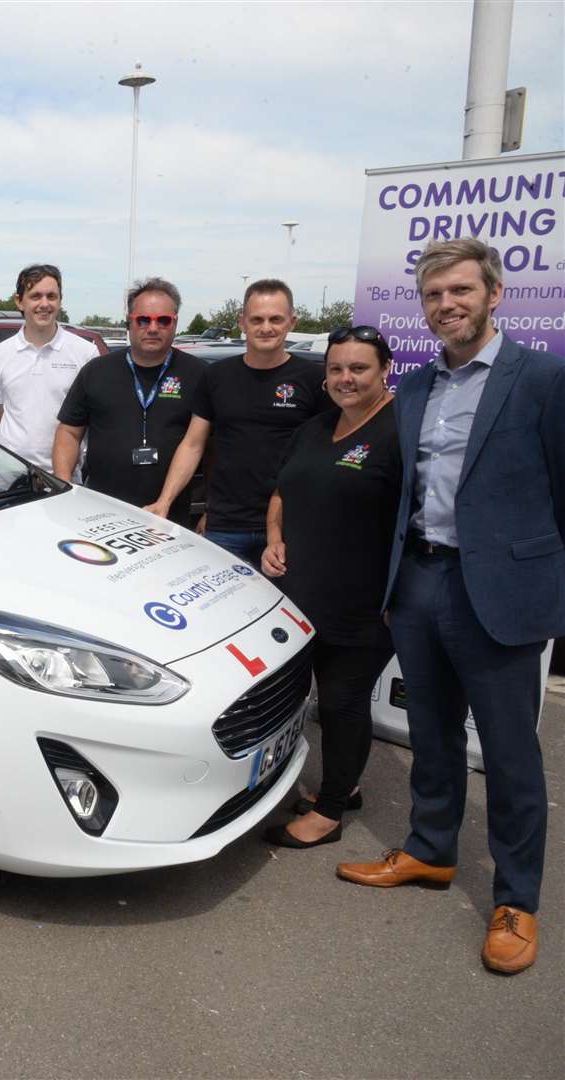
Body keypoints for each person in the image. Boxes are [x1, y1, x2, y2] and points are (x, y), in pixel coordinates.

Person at [337, 238, 565, 976]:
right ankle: (432, 852)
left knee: (507, 754)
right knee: (430, 733)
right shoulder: (416, 390)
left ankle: (516, 900)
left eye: (461, 291)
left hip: (497, 590)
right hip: (422, 579)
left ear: (495, 294)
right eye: (434, 296)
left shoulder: (543, 379)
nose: (447, 306)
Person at [259, 327, 400, 849]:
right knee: (320, 698)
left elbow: (419, 522)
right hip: (302, 596)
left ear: (385, 369)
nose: (346, 379)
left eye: (359, 368)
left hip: (363, 603)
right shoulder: (315, 428)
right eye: (336, 368)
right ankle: (348, 784)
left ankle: (331, 812)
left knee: (342, 701)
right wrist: (274, 536)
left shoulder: (400, 432)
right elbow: (282, 491)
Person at [143, 280, 328, 563]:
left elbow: (326, 453)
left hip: (288, 527)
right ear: (242, 322)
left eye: (275, 319)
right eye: (257, 319)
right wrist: (164, 501)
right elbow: (193, 444)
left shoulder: (313, 380)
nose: (266, 327)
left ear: (292, 321)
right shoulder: (217, 376)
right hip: (226, 526)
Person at [52, 278, 205, 523]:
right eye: (143, 320)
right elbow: (69, 432)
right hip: (100, 513)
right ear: (129, 321)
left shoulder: (198, 375)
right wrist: (64, 486)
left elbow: (203, 445)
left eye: (163, 320)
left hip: (170, 515)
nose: (153, 328)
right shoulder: (96, 371)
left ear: (175, 322)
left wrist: (205, 509)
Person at [0, 264, 97, 472]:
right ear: (19, 301)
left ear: (60, 300)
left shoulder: (85, 353)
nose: (44, 304)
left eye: (51, 296)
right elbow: (2, 413)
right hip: (11, 473)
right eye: (36, 296)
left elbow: (91, 420)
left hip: (65, 475)